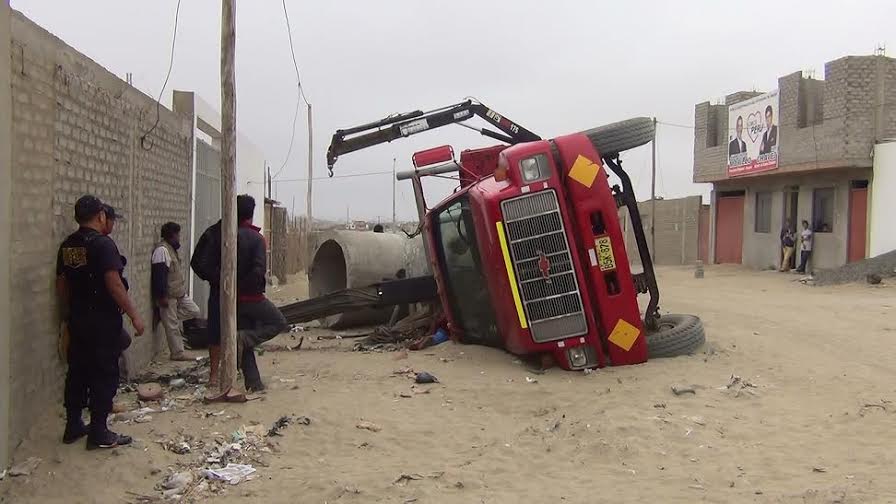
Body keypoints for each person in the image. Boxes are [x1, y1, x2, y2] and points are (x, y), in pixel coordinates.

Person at [56, 195, 144, 449]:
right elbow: (114, 284)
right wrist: (135, 316)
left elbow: (62, 284)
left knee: (77, 371)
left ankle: (73, 426)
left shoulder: (68, 245)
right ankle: (98, 432)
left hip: (78, 318)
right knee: (104, 373)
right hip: (102, 320)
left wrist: (67, 315)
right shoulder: (103, 245)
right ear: (101, 216)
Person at [191, 195, 287, 392]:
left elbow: (198, 263)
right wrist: (239, 287)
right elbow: (258, 271)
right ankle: (241, 369)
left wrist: (224, 284)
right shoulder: (255, 238)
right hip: (250, 297)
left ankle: (253, 383)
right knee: (277, 322)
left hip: (224, 297)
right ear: (251, 215)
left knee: (238, 335)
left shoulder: (217, 233)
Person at [152, 222, 200, 361]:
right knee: (172, 326)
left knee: (194, 310)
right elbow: (159, 275)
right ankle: (178, 353)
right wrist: (161, 296)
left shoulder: (171, 249)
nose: (179, 238)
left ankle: (165, 318)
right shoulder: (162, 251)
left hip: (179, 294)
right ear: (171, 235)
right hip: (169, 296)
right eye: (177, 235)